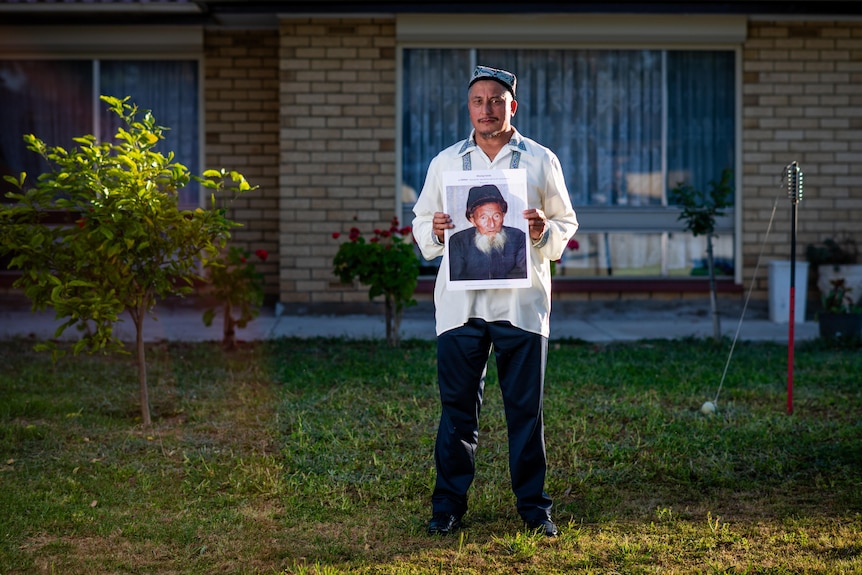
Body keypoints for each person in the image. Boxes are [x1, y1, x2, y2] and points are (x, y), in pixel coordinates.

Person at [412, 65, 579, 538]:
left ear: (513, 106)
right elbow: (421, 221)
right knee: (456, 410)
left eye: (495, 100)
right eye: (477, 101)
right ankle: (447, 507)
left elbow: (566, 222)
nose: (486, 109)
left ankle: (534, 508)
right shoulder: (446, 162)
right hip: (460, 306)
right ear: (469, 108)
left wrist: (545, 230)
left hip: (521, 303)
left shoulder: (540, 160)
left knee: (526, 411)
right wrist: (437, 231)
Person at [448, 183, 527, 281]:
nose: (491, 224)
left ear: (503, 215)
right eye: (483, 218)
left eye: (496, 216)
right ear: (472, 220)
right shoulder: (458, 241)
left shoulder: (518, 237)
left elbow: (522, 275)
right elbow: (457, 279)